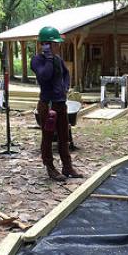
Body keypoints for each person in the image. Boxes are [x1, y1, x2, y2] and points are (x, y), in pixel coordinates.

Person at [31, 26, 82, 181]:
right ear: (45, 44)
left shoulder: (58, 59)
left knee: (64, 136)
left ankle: (67, 167)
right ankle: (50, 167)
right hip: (48, 105)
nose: (58, 46)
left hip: (61, 104)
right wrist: (48, 58)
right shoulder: (37, 60)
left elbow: (66, 74)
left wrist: (65, 87)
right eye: (55, 44)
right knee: (47, 137)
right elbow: (44, 76)